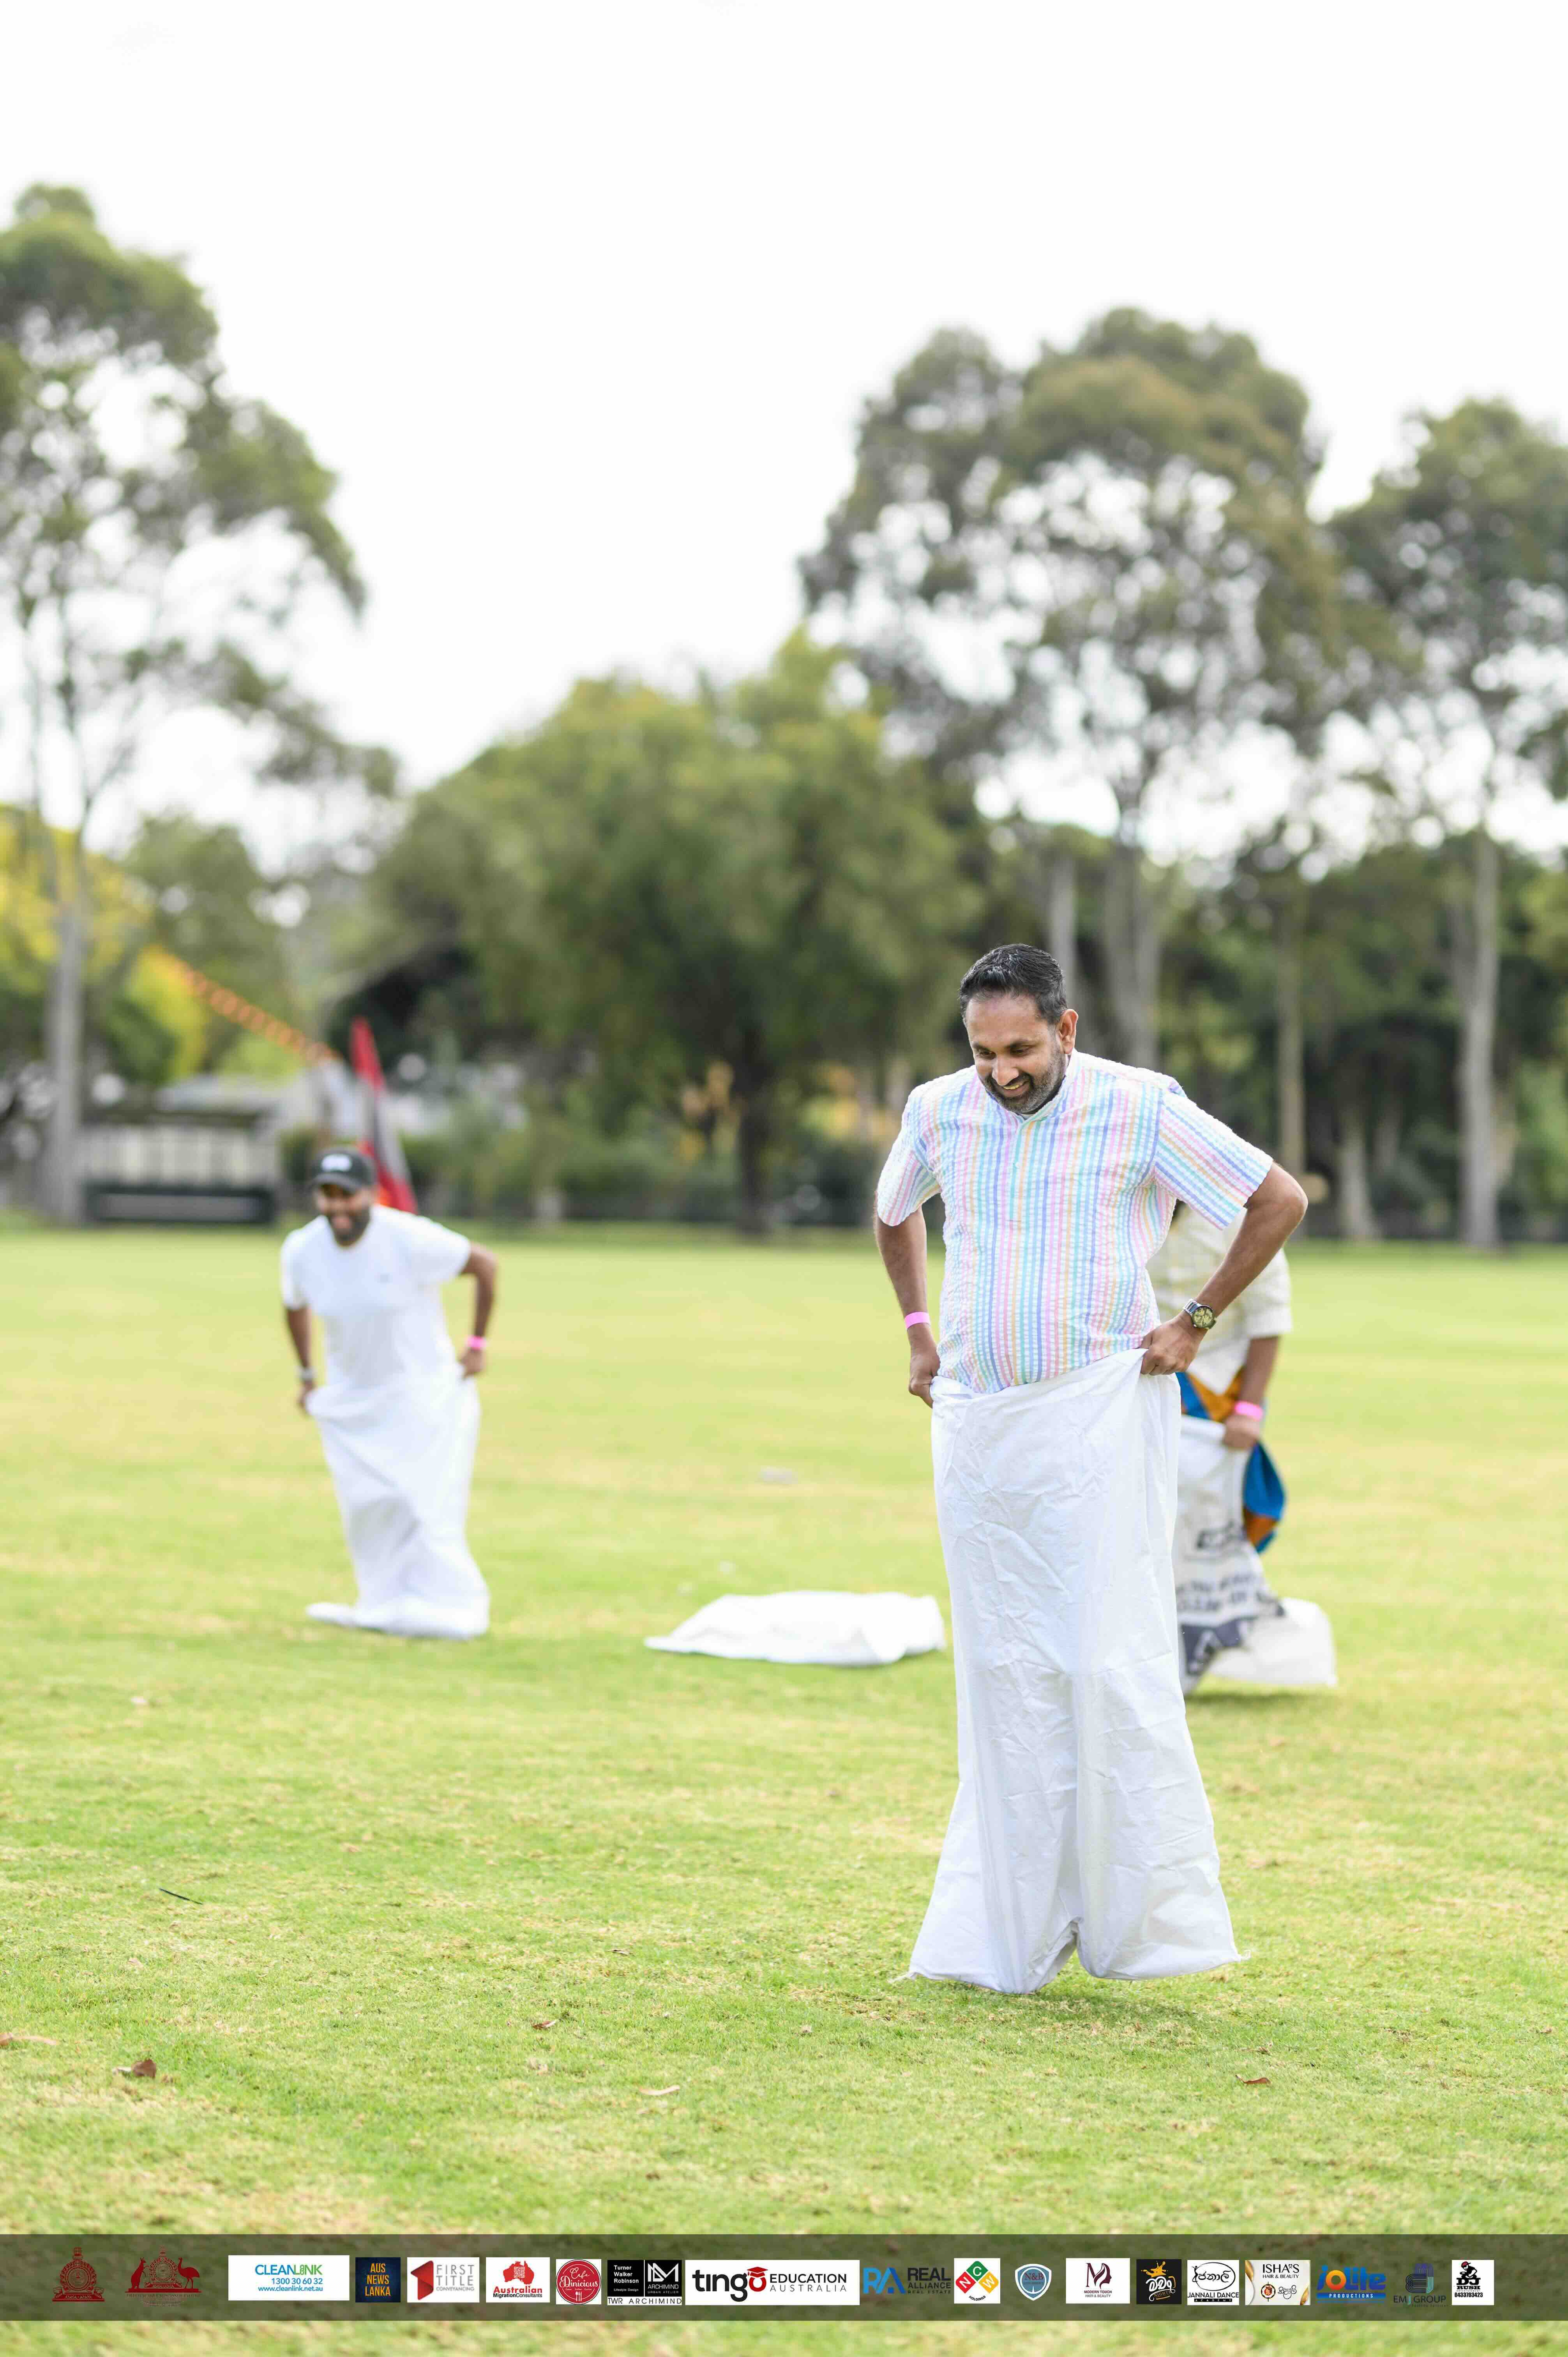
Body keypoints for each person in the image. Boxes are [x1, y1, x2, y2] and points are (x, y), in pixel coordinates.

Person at [874, 944, 1306, 1993]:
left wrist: (1195, 1323)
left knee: (1104, 1658)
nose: (1001, 1071)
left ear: (1065, 1031)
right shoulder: (940, 1109)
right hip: (978, 1422)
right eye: (984, 1052)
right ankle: (1005, 1926)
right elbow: (895, 1212)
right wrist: (921, 1335)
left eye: (1021, 1048)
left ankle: (1129, 1924)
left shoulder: (1143, 1107)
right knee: (1001, 1668)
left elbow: (1277, 1199)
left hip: (1102, 1414)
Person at [281, 1147, 498, 1640]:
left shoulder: (407, 1237)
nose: (337, 1207)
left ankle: (456, 1607)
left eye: (347, 1196)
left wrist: (477, 1346)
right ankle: (381, 1602)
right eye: (326, 1195)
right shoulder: (301, 1248)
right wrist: (305, 1375)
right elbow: (294, 1304)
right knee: (367, 1506)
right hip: (355, 1398)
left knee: (419, 1500)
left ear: (371, 1195)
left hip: (422, 1391)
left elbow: (485, 1265)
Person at [1148, 1205, 1335, 1693]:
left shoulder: (1235, 1210)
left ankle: (1199, 1637)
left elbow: (1268, 1313)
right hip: (1137, 1386)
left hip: (1214, 1391)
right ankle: (1152, 1654)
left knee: (1216, 1525)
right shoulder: (1120, 1198)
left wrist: (1249, 1410)